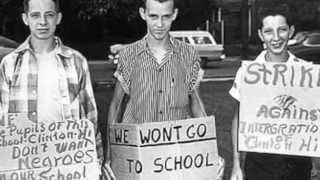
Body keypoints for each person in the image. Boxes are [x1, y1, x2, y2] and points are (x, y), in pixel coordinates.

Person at [106, 0, 224, 179]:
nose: (159, 25)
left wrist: (209, 149)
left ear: (174, 14)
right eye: (153, 16)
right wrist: (110, 156)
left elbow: (196, 104)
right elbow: (116, 105)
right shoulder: (128, 55)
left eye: (166, 17)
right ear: (143, 13)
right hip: (137, 155)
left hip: (175, 155)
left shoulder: (188, 54)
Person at [0, 0, 114, 179]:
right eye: (35, 15)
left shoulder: (76, 60)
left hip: (69, 162)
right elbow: (3, 120)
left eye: (49, 15)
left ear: (58, 18)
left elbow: (90, 117)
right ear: (25, 19)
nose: (43, 22)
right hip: (26, 163)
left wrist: (96, 163)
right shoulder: (10, 64)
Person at [230, 7, 312, 180]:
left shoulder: (306, 72)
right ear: (261, 35)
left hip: (298, 163)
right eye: (268, 31)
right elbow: (238, 118)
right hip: (260, 163)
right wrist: (236, 163)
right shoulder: (247, 73)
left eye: (282, 30)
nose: (276, 38)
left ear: (291, 31)